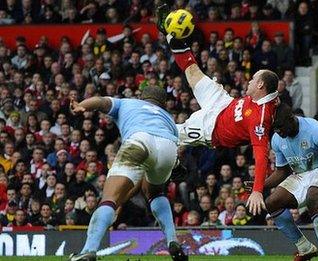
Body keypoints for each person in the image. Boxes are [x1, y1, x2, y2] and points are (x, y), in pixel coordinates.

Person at [157, 4, 279, 216]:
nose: (250, 80)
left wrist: (258, 190)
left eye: (254, 78)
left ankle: (171, 164)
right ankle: (169, 34)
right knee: (192, 71)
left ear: (261, 86)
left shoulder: (261, 118)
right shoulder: (260, 97)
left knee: (168, 132)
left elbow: (261, 156)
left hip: (210, 129)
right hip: (223, 102)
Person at [67, 86, 187, 261]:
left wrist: (81, 105)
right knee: (155, 192)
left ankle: (89, 249)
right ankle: (172, 240)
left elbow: (101, 102)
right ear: (162, 103)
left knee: (109, 199)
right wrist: (175, 165)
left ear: (141, 97)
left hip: (139, 141)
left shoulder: (128, 103)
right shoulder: (168, 118)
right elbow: (172, 152)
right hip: (168, 148)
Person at [253, 104, 318, 261]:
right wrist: (259, 186)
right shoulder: (277, 139)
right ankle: (305, 248)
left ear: (291, 119)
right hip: (301, 175)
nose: (278, 131)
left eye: (280, 127)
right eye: (275, 128)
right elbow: (282, 171)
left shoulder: (315, 129)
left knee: (313, 197)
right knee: (272, 202)